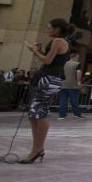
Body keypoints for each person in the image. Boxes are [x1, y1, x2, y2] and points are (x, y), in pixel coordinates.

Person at [21, 18, 75, 164]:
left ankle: (37, 149)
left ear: (58, 29)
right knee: (34, 114)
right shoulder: (61, 42)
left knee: (39, 113)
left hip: (49, 79)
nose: (48, 30)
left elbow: (47, 61)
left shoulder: (58, 42)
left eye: (50, 28)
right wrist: (39, 50)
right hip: (51, 79)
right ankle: (37, 148)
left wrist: (35, 52)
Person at [58, 52, 84, 120]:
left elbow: (60, 73)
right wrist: (79, 81)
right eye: (77, 57)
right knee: (74, 101)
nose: (78, 59)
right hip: (73, 85)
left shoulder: (64, 63)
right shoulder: (77, 64)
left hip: (63, 85)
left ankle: (62, 115)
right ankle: (77, 114)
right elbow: (78, 72)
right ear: (74, 57)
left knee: (63, 101)